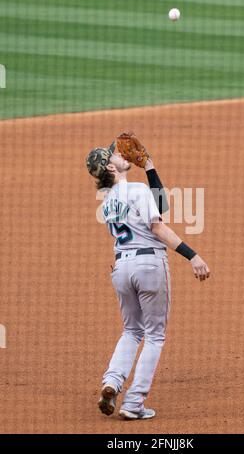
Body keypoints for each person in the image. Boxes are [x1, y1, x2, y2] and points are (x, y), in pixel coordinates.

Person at [86, 139, 210, 420]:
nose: (121, 153)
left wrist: (150, 168)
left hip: (121, 269)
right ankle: (134, 403)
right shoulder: (137, 190)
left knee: (131, 331)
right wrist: (192, 256)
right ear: (109, 166)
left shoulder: (107, 202)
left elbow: (159, 206)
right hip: (149, 265)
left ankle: (112, 382)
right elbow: (158, 223)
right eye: (114, 155)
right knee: (154, 336)